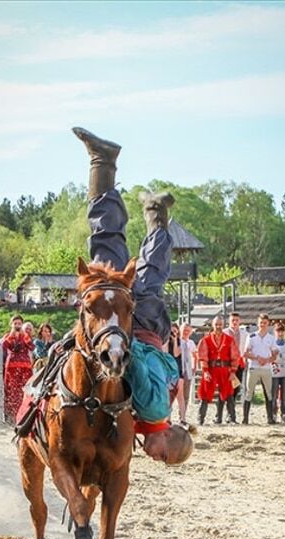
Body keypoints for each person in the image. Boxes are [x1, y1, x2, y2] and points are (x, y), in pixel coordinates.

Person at [73, 126, 192, 465]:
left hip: (154, 328)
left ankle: (157, 214)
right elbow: (133, 365)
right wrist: (119, 341)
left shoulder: (163, 407)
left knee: (152, 273)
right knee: (106, 247)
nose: (153, 458)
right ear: (167, 441)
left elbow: (172, 366)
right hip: (135, 329)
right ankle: (102, 162)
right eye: (161, 457)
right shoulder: (153, 408)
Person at [197, 316, 239, 425]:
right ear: (213, 325)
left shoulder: (229, 340)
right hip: (211, 368)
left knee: (228, 392)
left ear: (223, 325)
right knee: (205, 392)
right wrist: (205, 371)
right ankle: (200, 418)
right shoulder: (205, 340)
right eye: (216, 324)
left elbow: (235, 355)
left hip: (225, 369)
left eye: (220, 324)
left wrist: (233, 371)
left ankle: (231, 417)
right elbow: (202, 356)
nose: (218, 326)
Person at [242, 314, 279, 425]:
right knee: (249, 392)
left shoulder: (271, 338)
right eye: (261, 323)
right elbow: (245, 353)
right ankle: (245, 418)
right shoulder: (251, 336)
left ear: (268, 324)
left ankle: (270, 418)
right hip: (254, 366)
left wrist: (267, 360)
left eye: (265, 323)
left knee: (268, 393)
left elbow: (274, 354)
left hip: (266, 368)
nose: (262, 325)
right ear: (258, 323)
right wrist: (257, 358)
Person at [2, 315, 34, 423]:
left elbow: (31, 347)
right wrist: (11, 335)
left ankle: (25, 412)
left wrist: (24, 336)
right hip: (12, 366)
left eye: (19, 323)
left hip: (25, 366)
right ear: (11, 325)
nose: (17, 326)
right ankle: (11, 414)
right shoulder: (8, 335)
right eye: (15, 323)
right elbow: (4, 346)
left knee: (25, 388)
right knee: (11, 389)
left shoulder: (25, 336)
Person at [223, 311, 248, 423]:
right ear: (229, 321)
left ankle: (231, 412)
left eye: (236, 320)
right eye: (232, 320)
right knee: (228, 389)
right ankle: (230, 414)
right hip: (227, 364)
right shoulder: (224, 333)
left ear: (239, 321)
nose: (235, 322)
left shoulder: (244, 334)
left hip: (239, 363)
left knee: (236, 388)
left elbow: (246, 348)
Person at [271, 322, 285, 422]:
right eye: (278, 331)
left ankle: (284, 414)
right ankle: (273, 413)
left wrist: (281, 356)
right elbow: (272, 356)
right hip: (274, 370)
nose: (280, 334)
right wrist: (281, 358)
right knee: (274, 394)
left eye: (281, 331)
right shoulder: (271, 343)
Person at [168, 322, 187, 424]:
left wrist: (175, 340)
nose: (173, 333)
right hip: (168, 372)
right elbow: (165, 353)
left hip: (178, 371)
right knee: (169, 396)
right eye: (172, 331)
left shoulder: (181, 342)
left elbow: (176, 353)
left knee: (180, 396)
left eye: (175, 331)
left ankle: (183, 418)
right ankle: (168, 418)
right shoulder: (165, 342)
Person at [179, 323, 197, 410]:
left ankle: (182, 414)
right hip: (179, 369)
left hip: (188, 370)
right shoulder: (177, 341)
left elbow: (194, 355)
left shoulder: (191, 343)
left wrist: (194, 366)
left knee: (186, 394)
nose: (186, 332)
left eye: (188, 331)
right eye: (184, 330)